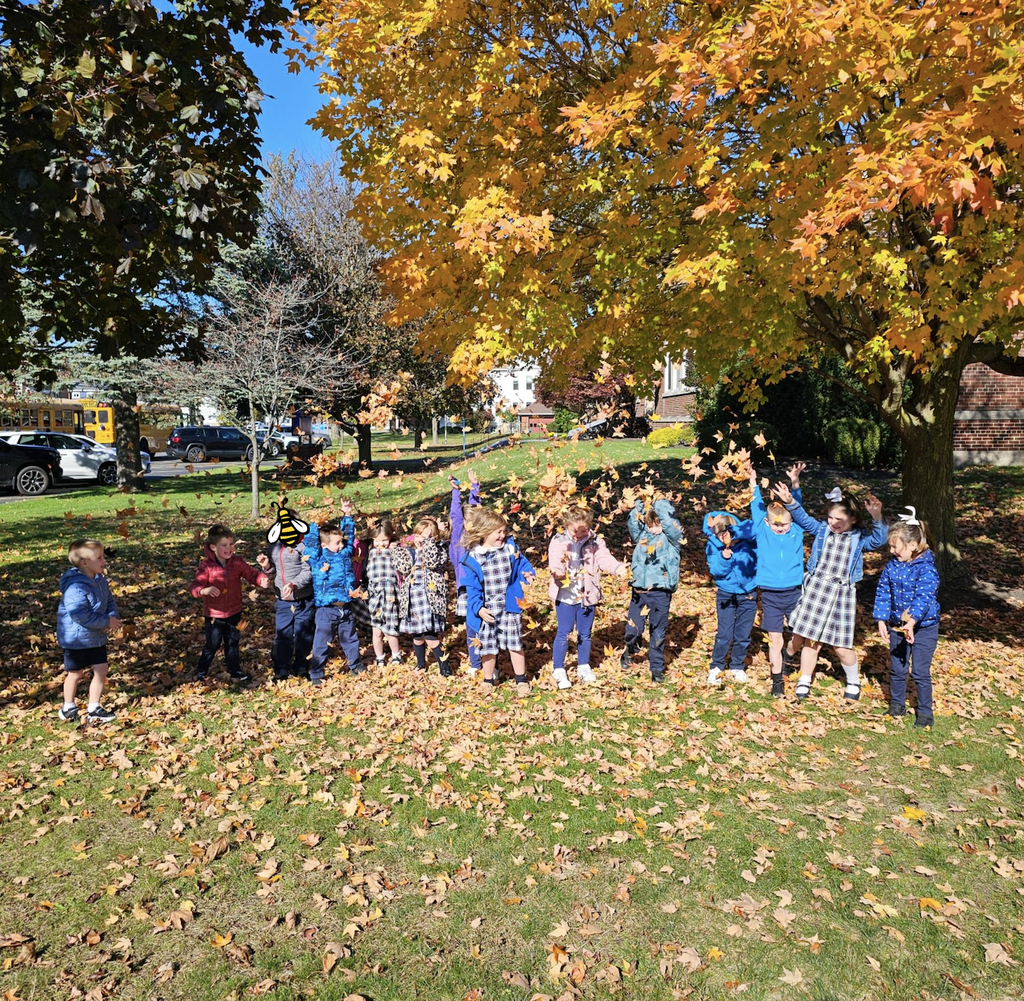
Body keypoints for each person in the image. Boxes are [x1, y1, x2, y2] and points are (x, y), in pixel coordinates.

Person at [773, 482, 886, 701]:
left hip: (841, 594)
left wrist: (878, 518)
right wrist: (790, 502)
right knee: (809, 639)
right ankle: (804, 679)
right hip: (817, 589)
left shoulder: (859, 539)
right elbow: (804, 520)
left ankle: (853, 681)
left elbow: (879, 540)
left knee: (841, 644)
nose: (833, 523)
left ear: (853, 519)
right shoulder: (823, 531)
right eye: (830, 518)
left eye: (839, 520)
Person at [873, 509, 940, 728]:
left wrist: (911, 622)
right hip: (897, 626)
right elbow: (884, 591)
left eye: (895, 547)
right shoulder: (892, 566)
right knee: (898, 668)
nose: (892, 551)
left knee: (920, 671)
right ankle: (897, 704)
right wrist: (882, 619)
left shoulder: (927, 569)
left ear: (912, 545)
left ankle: (925, 712)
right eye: (890, 546)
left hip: (923, 628)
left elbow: (923, 598)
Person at [547, 506, 627, 688]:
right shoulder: (559, 540)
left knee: (585, 633)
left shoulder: (595, 541)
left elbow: (604, 558)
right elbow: (555, 558)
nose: (580, 534)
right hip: (566, 595)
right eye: (576, 530)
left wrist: (617, 568)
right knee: (564, 632)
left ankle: (583, 665)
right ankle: (558, 668)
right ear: (567, 525)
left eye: (584, 530)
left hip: (587, 594)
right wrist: (558, 571)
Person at [747, 462, 807, 696]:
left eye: (784, 524)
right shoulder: (762, 529)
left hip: (795, 591)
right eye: (776, 525)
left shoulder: (796, 530)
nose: (780, 528)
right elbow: (756, 507)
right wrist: (753, 482)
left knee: (799, 634)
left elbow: (798, 508)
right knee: (775, 638)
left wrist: (795, 483)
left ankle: (789, 656)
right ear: (767, 522)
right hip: (771, 594)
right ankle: (777, 682)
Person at [462, 508, 536, 696]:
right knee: (487, 647)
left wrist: (527, 574)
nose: (503, 535)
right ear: (485, 532)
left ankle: (521, 680)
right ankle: (488, 679)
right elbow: (472, 590)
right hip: (488, 610)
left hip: (509, 606)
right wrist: (478, 609)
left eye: (504, 531)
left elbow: (523, 565)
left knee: (515, 644)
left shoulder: (510, 549)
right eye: (498, 532)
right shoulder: (473, 558)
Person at [190, 524, 270, 682]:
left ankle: (235, 670)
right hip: (214, 614)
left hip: (234, 611)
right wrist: (203, 590)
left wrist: (262, 580)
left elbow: (252, 574)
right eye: (224, 545)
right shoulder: (206, 566)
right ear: (213, 547)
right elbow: (194, 586)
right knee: (212, 644)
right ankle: (201, 670)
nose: (229, 548)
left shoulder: (237, 562)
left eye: (231, 544)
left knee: (232, 642)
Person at [57, 539, 121, 723]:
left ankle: (94, 707)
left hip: (96, 636)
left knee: (101, 668)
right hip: (76, 638)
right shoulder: (75, 587)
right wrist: (104, 621)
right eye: (99, 558)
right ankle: (68, 706)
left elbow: (109, 600)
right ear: (84, 563)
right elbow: (79, 614)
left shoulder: (100, 580)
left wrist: (111, 617)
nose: (104, 561)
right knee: (75, 673)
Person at [621, 496, 683, 682]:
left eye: (658, 524)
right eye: (650, 525)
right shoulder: (642, 537)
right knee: (634, 629)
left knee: (657, 632)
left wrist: (660, 503)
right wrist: (641, 503)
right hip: (640, 591)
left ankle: (656, 669)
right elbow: (633, 521)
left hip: (661, 592)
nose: (654, 529)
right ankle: (630, 649)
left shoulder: (672, 539)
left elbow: (671, 524)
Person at [305, 503, 366, 685]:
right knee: (321, 643)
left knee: (350, 639)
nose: (341, 545)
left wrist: (347, 515)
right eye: (336, 543)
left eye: (341, 542)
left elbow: (348, 536)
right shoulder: (318, 557)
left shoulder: (344, 553)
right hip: (326, 610)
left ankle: (356, 665)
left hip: (345, 607)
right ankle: (316, 673)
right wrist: (314, 525)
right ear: (324, 545)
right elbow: (309, 544)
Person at [257, 510, 315, 681]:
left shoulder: (304, 546)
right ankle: (281, 668)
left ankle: (301, 663)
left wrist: (294, 584)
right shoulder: (274, 545)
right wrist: (267, 566)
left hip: (303, 598)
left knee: (303, 632)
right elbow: (275, 568)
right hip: (283, 599)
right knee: (283, 633)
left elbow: (308, 571)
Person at [702, 510, 758, 685]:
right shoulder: (713, 546)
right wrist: (724, 558)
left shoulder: (749, 543)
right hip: (725, 594)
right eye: (719, 535)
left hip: (747, 593)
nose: (723, 539)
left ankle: (737, 665)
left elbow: (754, 529)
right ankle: (717, 665)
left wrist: (737, 532)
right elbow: (715, 571)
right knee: (724, 633)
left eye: (726, 534)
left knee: (743, 634)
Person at [393, 517, 453, 676]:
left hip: (430, 599)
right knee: (418, 635)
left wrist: (429, 544)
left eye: (425, 537)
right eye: (418, 536)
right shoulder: (411, 551)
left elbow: (433, 562)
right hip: (414, 599)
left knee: (430, 635)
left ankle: (444, 664)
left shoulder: (438, 550)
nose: (421, 540)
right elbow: (403, 569)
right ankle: (420, 664)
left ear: (434, 538)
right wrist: (397, 551)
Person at [448, 470, 482, 673]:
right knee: (472, 626)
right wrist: (456, 491)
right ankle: (475, 663)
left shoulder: (482, 540)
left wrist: (475, 488)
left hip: (484, 586)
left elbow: (477, 511)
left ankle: (488, 661)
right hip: (467, 589)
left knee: (486, 625)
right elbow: (456, 515)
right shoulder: (458, 539)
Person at [366, 518, 403, 667]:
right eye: (377, 540)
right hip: (375, 595)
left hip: (390, 594)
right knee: (377, 631)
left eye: (384, 540)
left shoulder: (393, 550)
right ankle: (380, 657)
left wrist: (396, 547)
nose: (380, 544)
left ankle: (396, 655)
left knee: (390, 629)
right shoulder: (369, 552)